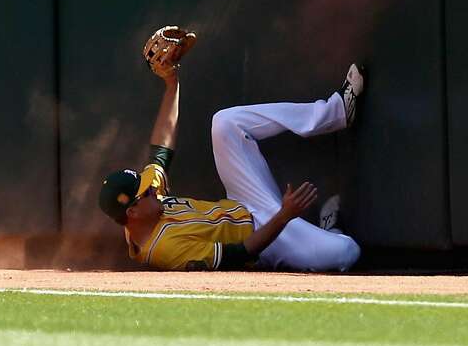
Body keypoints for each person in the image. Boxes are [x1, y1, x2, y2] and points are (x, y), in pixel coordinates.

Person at [97, 63, 364, 271]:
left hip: (244, 202)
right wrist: (283, 216)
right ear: (132, 211)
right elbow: (241, 254)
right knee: (347, 252)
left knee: (225, 122)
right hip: (265, 240)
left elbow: (161, 151)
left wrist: (171, 83)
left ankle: (335, 112)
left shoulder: (145, 205)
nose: (153, 190)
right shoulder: (166, 249)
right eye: (146, 193)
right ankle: (330, 232)